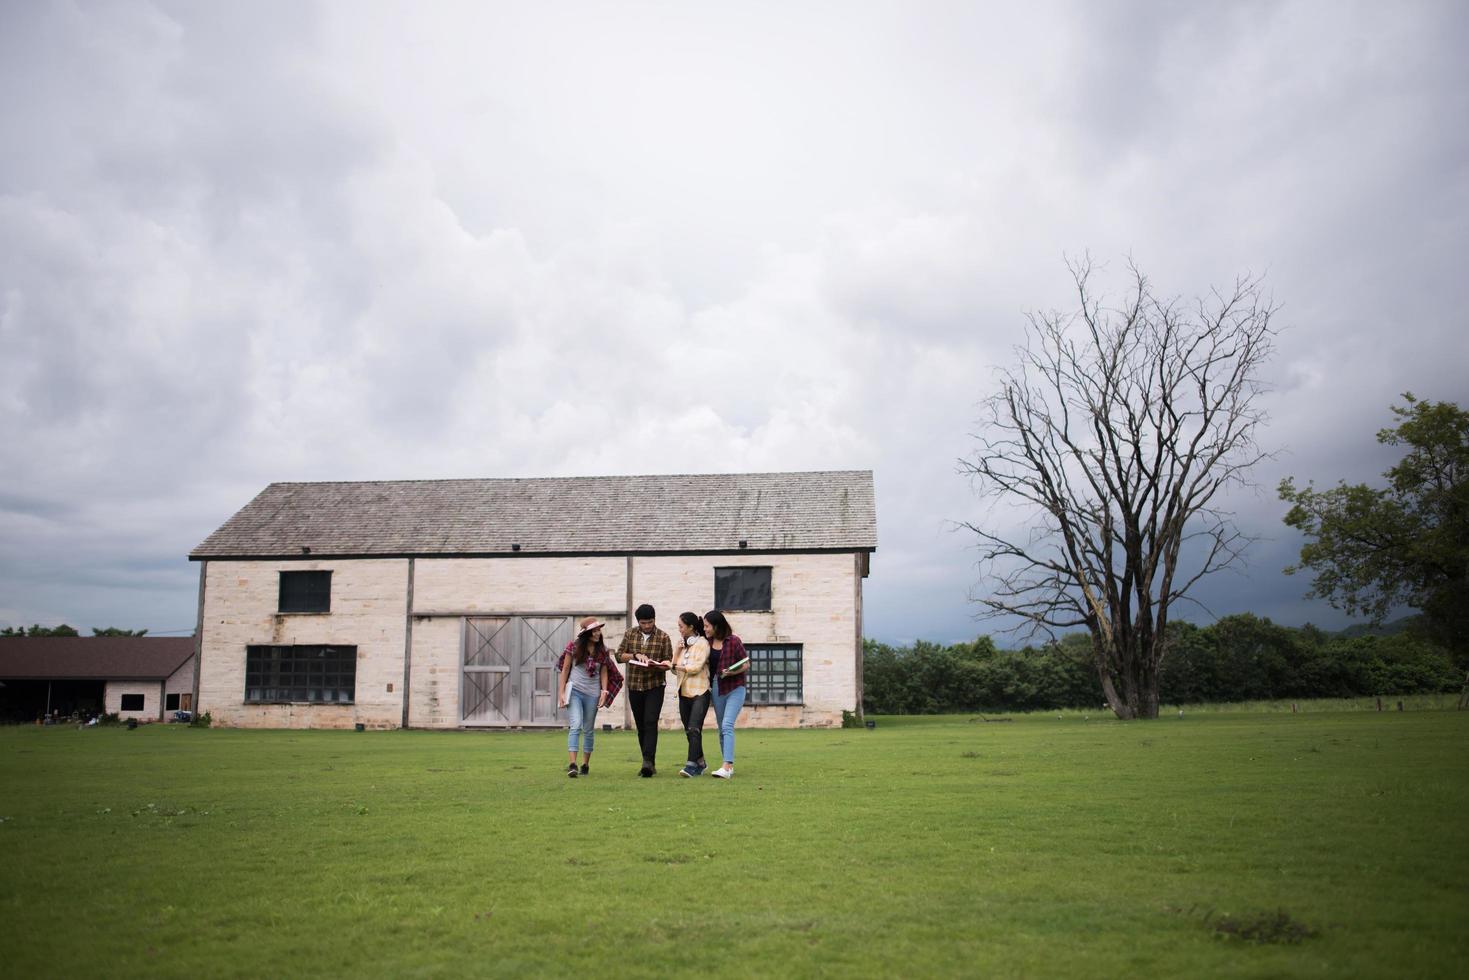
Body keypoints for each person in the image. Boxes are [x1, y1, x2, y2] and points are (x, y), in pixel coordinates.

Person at [615, 603, 674, 777]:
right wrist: (634, 655)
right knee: (641, 725)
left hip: (654, 685)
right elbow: (619, 656)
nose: (647, 626)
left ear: (654, 620)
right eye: (643, 623)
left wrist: (655, 665)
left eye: (650, 622)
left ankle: (647, 762)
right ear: (638, 622)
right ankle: (649, 762)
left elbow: (668, 662)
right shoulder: (629, 634)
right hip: (634, 686)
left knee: (650, 721)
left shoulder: (663, 637)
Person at [557, 617, 614, 778]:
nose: (598, 633)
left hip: (593, 694)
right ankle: (573, 764)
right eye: (594, 631)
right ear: (587, 634)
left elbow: (604, 672)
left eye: (598, 630)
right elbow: (565, 669)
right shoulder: (573, 647)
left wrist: (604, 692)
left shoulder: (602, 650)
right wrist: (561, 693)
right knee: (575, 725)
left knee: (588, 729)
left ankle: (585, 764)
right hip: (575, 691)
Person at [703, 610, 749, 780]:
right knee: (722, 727)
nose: (705, 629)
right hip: (717, 687)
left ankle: (727, 766)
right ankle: (728, 766)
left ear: (716, 626)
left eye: (707, 626)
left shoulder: (733, 641)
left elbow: (746, 664)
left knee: (727, 725)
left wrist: (731, 672)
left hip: (735, 687)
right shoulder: (706, 642)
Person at [671, 612, 711, 777]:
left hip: (700, 692)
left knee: (694, 729)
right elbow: (674, 670)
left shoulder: (703, 644)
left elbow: (695, 668)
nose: (679, 629)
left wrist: (675, 665)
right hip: (683, 692)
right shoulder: (682, 645)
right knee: (689, 731)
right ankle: (701, 762)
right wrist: (676, 651)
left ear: (691, 627)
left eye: (681, 626)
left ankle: (690, 766)